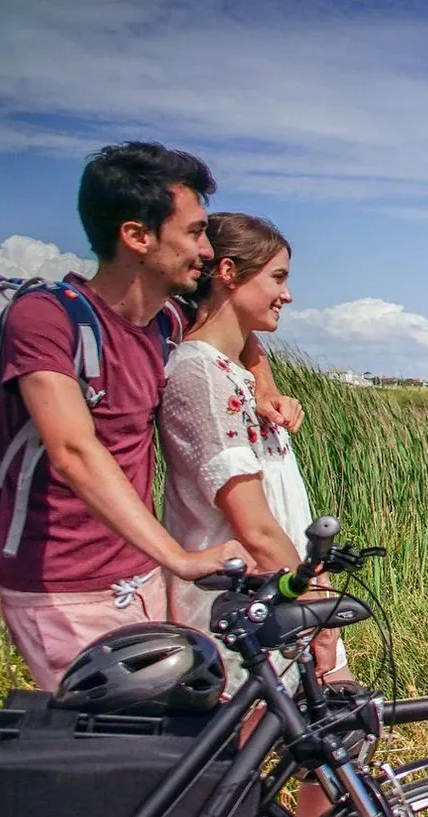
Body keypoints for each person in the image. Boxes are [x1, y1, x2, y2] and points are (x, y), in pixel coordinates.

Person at [0, 141, 255, 688]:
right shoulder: (48, 319)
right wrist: (179, 557)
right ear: (137, 236)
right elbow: (73, 451)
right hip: (64, 586)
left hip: (138, 575)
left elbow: (237, 331)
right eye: (194, 232)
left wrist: (269, 390)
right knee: (122, 759)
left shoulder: (164, 324)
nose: (205, 250)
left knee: (171, 751)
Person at [159, 212, 348, 685]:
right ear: (227, 273)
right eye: (278, 278)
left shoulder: (237, 373)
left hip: (280, 598)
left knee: (331, 743)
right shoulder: (200, 377)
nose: (288, 294)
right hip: (244, 617)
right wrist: (319, 623)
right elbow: (254, 527)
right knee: (273, 752)